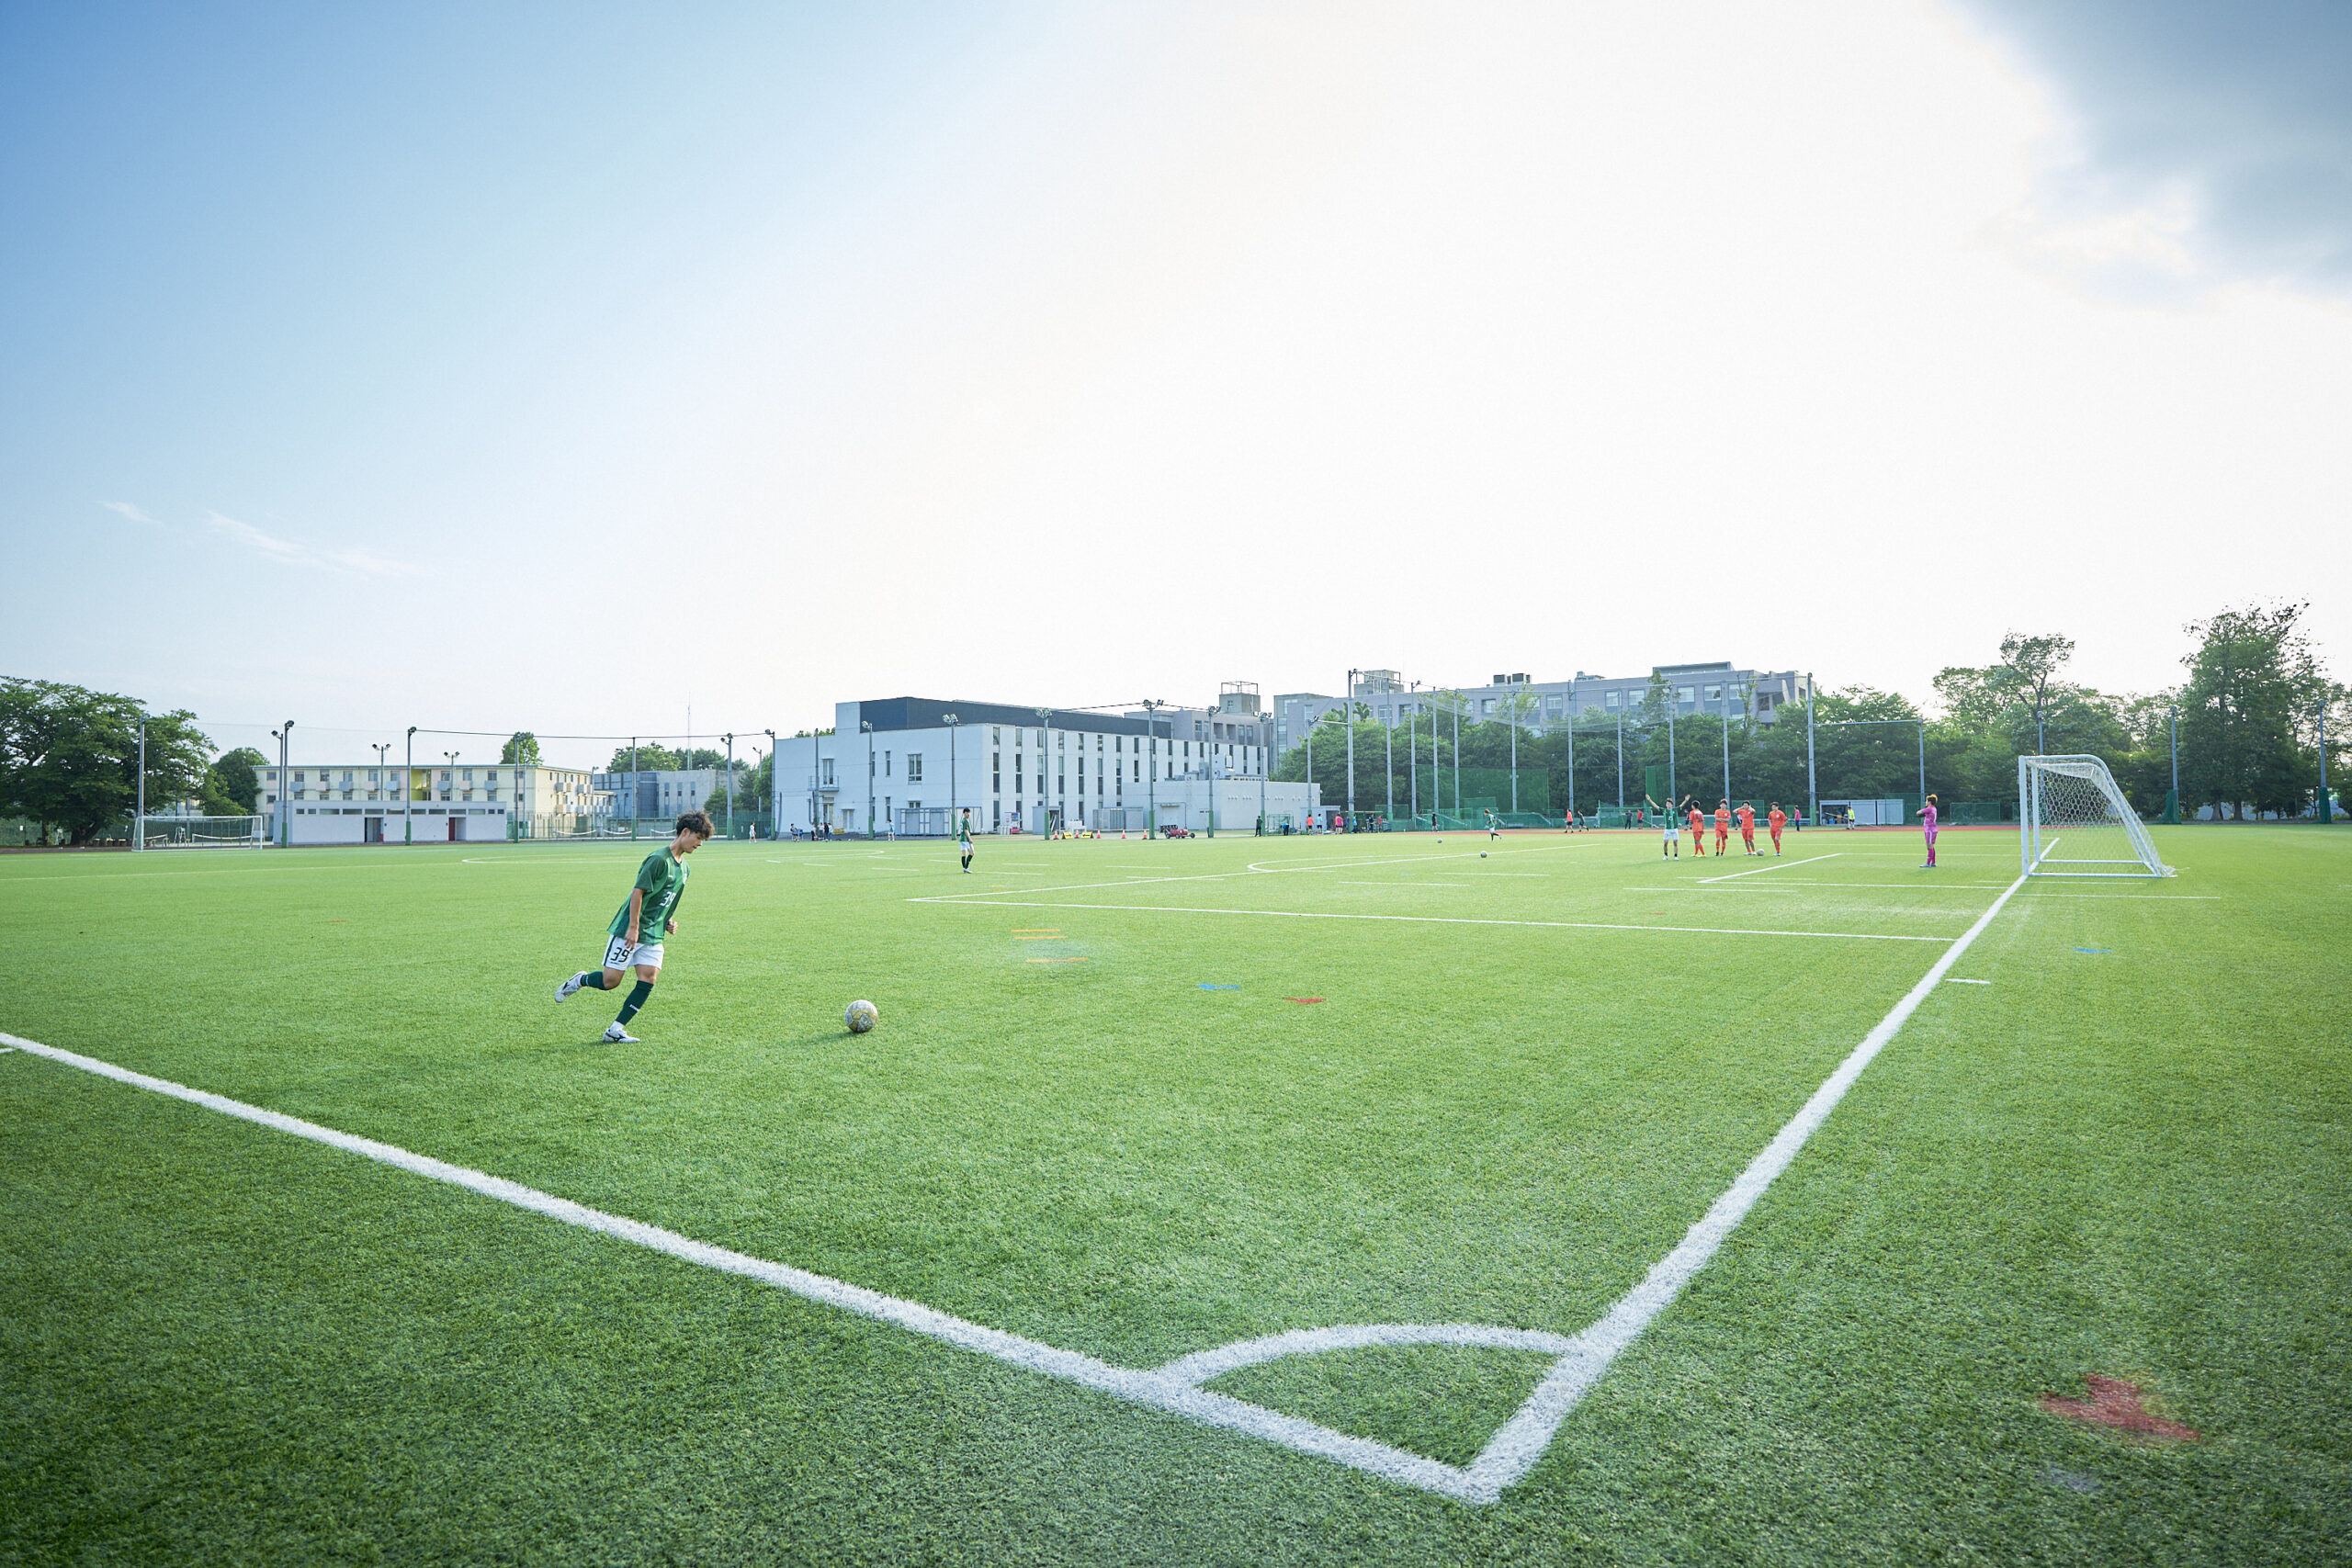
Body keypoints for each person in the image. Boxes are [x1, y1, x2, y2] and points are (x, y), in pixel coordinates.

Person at [556, 810, 711, 1043]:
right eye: (698, 838)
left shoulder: (685, 868)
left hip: (653, 933)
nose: (700, 844)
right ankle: (580, 980)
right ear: (685, 832)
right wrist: (633, 927)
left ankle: (615, 1030)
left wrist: (667, 921)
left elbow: (668, 899)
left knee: (648, 978)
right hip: (630, 929)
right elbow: (638, 893)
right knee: (610, 982)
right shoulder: (658, 860)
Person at [1644, 794, 1681, 858]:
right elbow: (1655, 806)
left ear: (1672, 804)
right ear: (1666, 805)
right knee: (1665, 843)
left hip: (1674, 829)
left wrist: (1686, 800)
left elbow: (1681, 805)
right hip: (1667, 829)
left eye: (1669, 804)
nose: (1668, 805)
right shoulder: (1664, 810)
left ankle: (1675, 856)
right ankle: (1666, 855)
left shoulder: (1675, 810)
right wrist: (1649, 800)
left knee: (1675, 843)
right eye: (1667, 804)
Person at [1917, 792, 1940, 868]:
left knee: (1929, 846)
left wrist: (1921, 813)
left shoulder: (1930, 809)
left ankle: (1928, 863)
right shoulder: (1933, 809)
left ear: (1930, 802)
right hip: (1930, 830)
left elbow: (1918, 813)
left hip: (1930, 830)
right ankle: (1933, 862)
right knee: (1931, 846)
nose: (1925, 802)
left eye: (1926, 801)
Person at [957, 807, 974, 872]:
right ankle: (966, 868)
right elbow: (966, 830)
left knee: (964, 854)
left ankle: (964, 868)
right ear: (964, 813)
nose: (968, 814)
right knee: (972, 853)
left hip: (961, 839)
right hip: (965, 839)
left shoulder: (962, 820)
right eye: (967, 813)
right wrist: (970, 839)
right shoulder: (965, 821)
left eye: (969, 813)